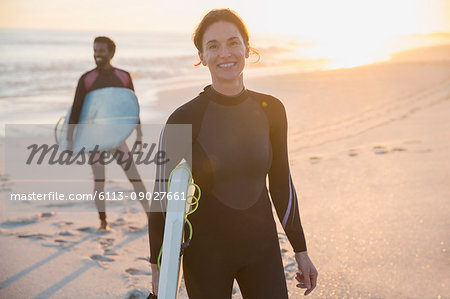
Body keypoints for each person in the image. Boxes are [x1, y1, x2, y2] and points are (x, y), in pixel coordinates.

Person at [148, 9, 317, 298]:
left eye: (233, 42)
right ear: (201, 56)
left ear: (247, 48)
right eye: (213, 46)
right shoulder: (183, 118)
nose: (224, 53)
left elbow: (281, 183)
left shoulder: (272, 110)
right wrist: (158, 271)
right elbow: (162, 195)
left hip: (262, 250)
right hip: (206, 256)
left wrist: (301, 251)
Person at [68, 36, 149, 230]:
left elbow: (132, 108)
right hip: (94, 139)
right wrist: (70, 141)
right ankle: (103, 221)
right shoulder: (86, 79)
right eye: (95, 51)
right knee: (99, 181)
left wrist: (139, 134)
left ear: (111, 53)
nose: (97, 55)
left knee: (134, 177)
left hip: (116, 138)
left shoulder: (123, 76)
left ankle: (149, 214)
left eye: (101, 51)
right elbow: (76, 110)